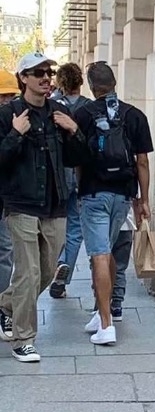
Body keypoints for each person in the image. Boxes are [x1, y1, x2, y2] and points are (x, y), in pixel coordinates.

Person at [0, 52, 86, 362]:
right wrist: (15, 134)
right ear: (23, 78)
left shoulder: (59, 112)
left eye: (49, 72)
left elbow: (78, 158)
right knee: (28, 272)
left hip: (55, 204)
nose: (46, 78)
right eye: (38, 73)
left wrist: (74, 130)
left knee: (47, 272)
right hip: (21, 203)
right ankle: (23, 339)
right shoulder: (9, 114)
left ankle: (5, 306)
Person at [74, 61, 153, 346]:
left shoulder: (83, 114)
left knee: (98, 254)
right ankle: (101, 311)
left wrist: (81, 189)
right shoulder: (135, 116)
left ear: (91, 87)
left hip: (94, 193)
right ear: (115, 83)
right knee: (106, 252)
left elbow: (78, 160)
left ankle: (106, 325)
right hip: (123, 194)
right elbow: (142, 162)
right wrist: (143, 199)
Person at [49, 63, 89, 299]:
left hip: (58, 176)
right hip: (81, 176)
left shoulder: (51, 106)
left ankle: (54, 267)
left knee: (53, 226)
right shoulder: (88, 108)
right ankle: (62, 274)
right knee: (75, 229)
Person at [0, 69, 21, 342]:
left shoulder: (17, 122)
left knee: (5, 252)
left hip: (6, 199)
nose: (6, 102)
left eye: (10, 97)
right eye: (2, 97)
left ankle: (2, 309)